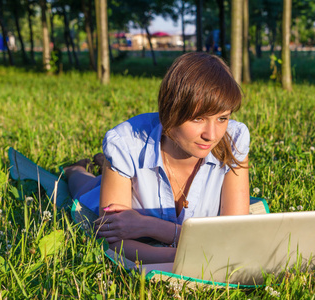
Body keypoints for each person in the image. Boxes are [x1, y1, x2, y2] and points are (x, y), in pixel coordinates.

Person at [64, 52, 250, 264]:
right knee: (86, 190)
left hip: (142, 216)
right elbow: (115, 242)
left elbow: (234, 234)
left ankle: (105, 167)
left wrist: (149, 226)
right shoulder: (126, 142)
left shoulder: (233, 140)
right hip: (122, 187)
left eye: (222, 118)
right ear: (170, 111)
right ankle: (75, 169)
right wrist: (193, 256)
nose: (212, 135)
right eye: (198, 118)